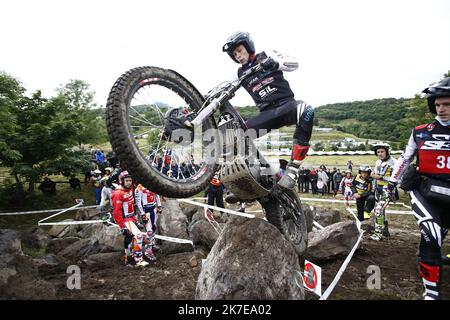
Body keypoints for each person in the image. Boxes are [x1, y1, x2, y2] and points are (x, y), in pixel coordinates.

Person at [220, 31, 314, 194]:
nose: (238, 56)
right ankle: (245, 183)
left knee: (307, 111)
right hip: (267, 114)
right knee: (236, 134)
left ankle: (292, 172)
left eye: (240, 50)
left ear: (248, 47)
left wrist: (275, 64)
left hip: (287, 106)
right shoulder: (240, 73)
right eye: (234, 54)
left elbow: (293, 63)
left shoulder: (266, 55)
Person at [387, 77, 450, 300]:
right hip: (425, 191)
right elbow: (405, 159)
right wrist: (391, 183)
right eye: (438, 104)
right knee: (431, 237)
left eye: (447, 104)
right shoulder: (421, 132)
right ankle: (432, 294)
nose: (441, 109)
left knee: (439, 239)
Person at [112, 171, 153, 267]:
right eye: (126, 181)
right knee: (138, 235)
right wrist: (122, 226)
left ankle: (128, 255)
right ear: (121, 181)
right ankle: (138, 260)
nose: (129, 182)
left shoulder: (131, 189)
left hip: (132, 217)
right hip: (125, 219)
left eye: (130, 180)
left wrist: (136, 218)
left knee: (131, 237)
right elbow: (116, 212)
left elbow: (132, 204)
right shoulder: (118, 193)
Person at [370, 142, 398, 240]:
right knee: (379, 211)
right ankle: (383, 231)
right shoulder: (378, 162)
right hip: (378, 188)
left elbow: (398, 177)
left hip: (388, 189)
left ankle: (378, 233)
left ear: (387, 151)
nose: (380, 154)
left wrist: (381, 177)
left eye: (382, 151)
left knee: (378, 209)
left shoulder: (394, 162)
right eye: (378, 152)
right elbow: (373, 173)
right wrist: (374, 176)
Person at [135, 183, 161, 258]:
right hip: (146, 211)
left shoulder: (152, 184)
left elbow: (157, 194)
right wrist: (142, 214)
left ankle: (152, 244)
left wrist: (159, 205)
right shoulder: (139, 188)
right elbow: (138, 202)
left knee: (154, 227)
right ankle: (148, 251)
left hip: (153, 209)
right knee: (149, 231)